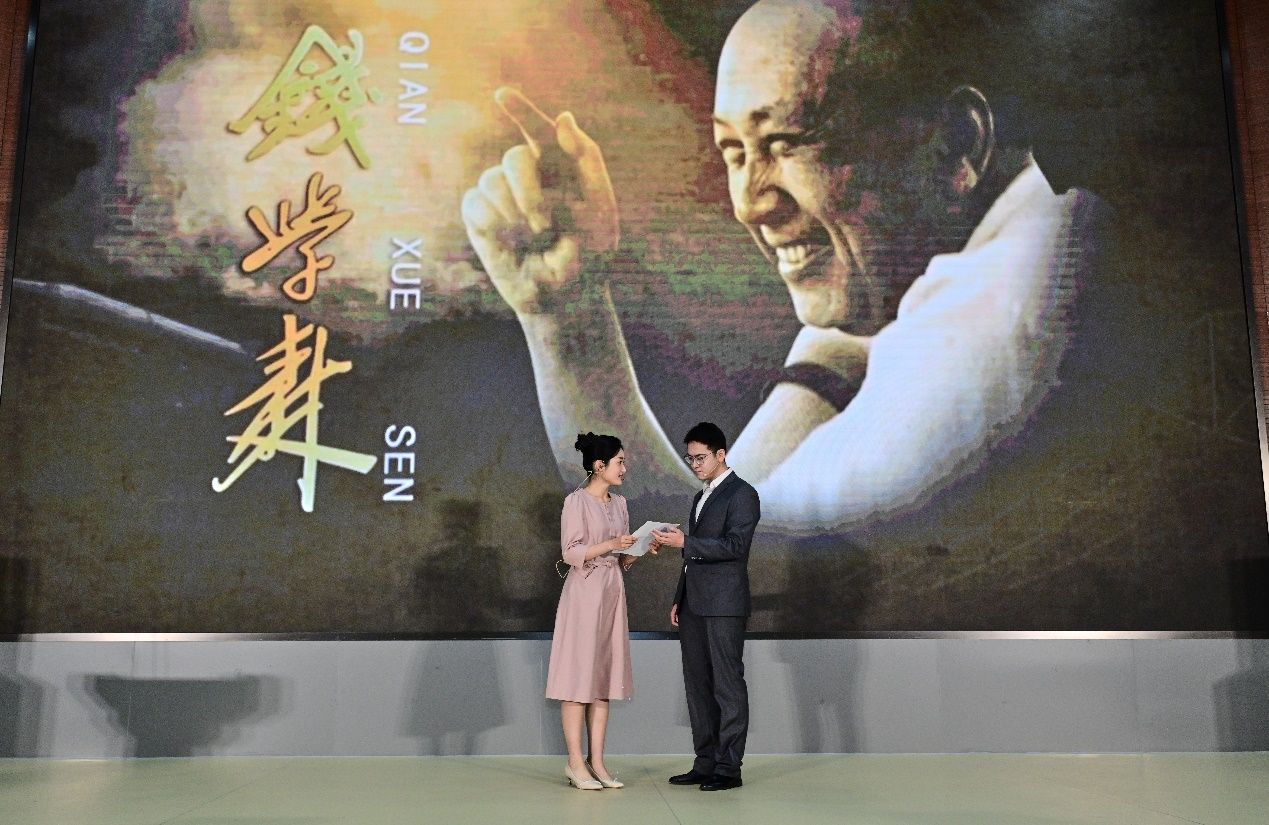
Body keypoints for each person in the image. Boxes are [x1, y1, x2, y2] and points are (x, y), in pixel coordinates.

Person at [461, 0, 1103, 532]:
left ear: (958, 143)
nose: (749, 203)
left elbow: (692, 569)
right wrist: (567, 304)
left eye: (786, 143)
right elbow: (720, 516)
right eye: (734, 151)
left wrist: (566, 324)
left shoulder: (988, 336)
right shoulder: (1028, 230)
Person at [651, 422, 760, 791]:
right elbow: (694, 556)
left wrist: (685, 542)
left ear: (720, 454)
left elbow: (735, 547)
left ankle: (728, 769)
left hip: (725, 604)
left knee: (727, 686)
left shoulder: (742, 494)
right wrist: (679, 597)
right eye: (690, 458)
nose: (695, 464)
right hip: (694, 604)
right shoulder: (700, 497)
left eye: (700, 458)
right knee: (697, 685)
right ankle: (705, 762)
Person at [545, 432, 641, 790]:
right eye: (619, 462)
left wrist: (637, 550)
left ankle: (597, 761)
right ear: (599, 465)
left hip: (612, 591)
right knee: (578, 676)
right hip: (584, 592)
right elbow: (570, 552)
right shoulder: (576, 501)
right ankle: (575, 762)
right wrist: (611, 544)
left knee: (602, 677)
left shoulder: (620, 503)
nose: (624, 468)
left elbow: (621, 557)